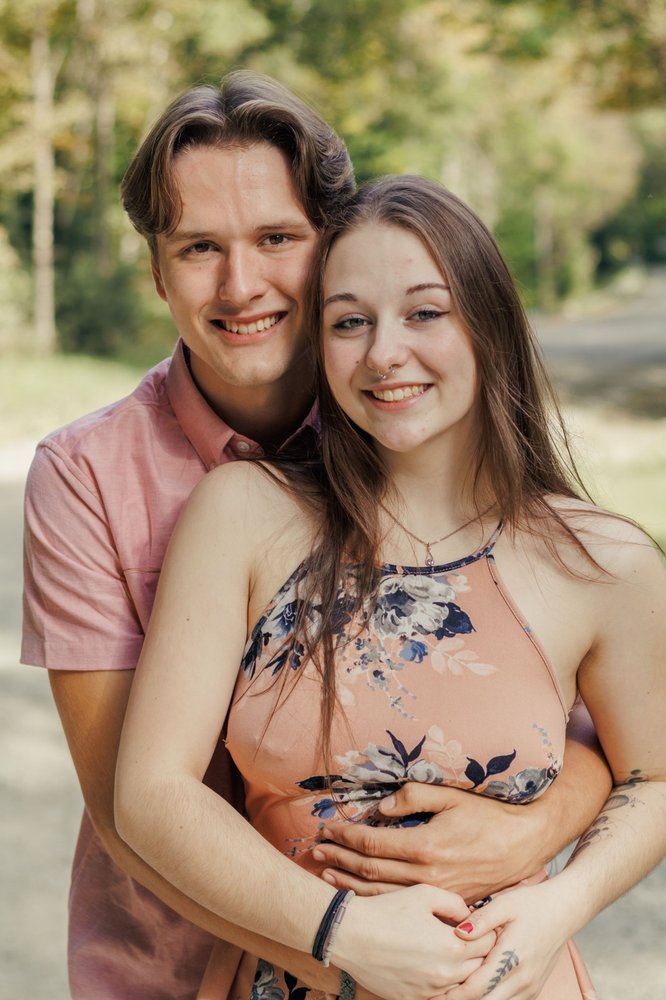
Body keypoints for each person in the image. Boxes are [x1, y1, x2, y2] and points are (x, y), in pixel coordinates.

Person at [22, 73, 611, 999]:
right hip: (176, 967)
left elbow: (584, 721)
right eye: (199, 248)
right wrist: (353, 958)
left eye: (277, 239)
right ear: (157, 271)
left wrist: (539, 828)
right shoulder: (86, 475)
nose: (240, 285)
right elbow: (134, 813)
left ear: (331, 245)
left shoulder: (415, 420)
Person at [114, 174, 666, 1000]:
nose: (382, 354)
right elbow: (150, 793)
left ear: (488, 322)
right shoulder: (244, 514)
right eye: (349, 322)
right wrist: (340, 933)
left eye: (424, 313)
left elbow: (655, 778)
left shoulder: (604, 560)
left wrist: (563, 903)